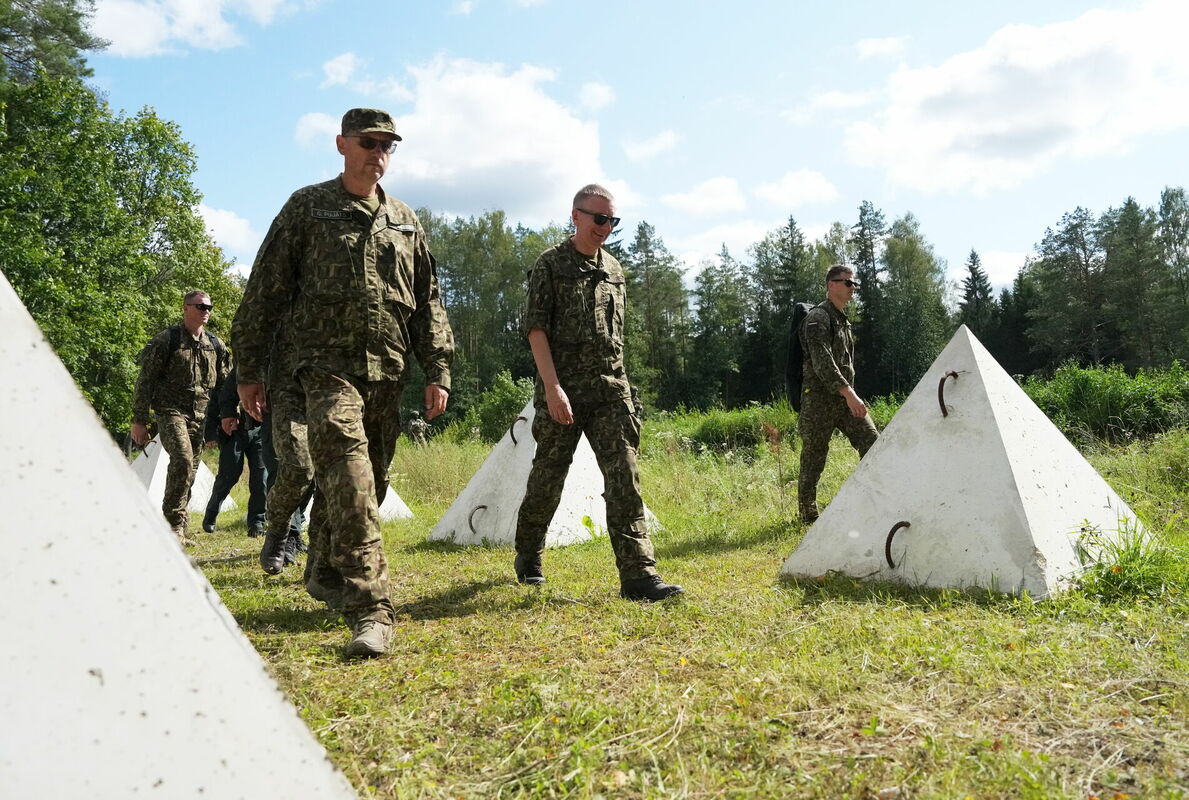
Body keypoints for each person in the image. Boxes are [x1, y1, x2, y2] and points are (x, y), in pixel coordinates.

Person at [232, 108, 454, 659]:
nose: (378, 152)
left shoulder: (404, 220)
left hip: (388, 373)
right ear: (341, 144)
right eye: (368, 141)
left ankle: (324, 571)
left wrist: (438, 369)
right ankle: (371, 608)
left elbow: (428, 300)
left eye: (388, 144)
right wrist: (248, 370)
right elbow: (264, 291)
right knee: (351, 479)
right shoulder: (308, 208)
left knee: (366, 486)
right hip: (323, 370)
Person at [514, 184, 683, 602]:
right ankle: (529, 553)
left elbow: (616, 339)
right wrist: (552, 389)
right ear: (575, 216)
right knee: (548, 478)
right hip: (564, 392)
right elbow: (536, 329)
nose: (605, 228)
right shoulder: (550, 265)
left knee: (624, 475)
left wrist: (628, 394)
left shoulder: (614, 270)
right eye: (598, 218)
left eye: (612, 221)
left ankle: (638, 576)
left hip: (610, 392)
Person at [130, 290, 231, 545]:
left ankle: (179, 526)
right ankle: (172, 526)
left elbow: (225, 384)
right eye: (200, 306)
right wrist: (139, 420)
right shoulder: (168, 340)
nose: (206, 311)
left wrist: (230, 413)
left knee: (192, 468)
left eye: (209, 306)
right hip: (170, 410)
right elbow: (146, 381)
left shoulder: (215, 345)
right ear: (186, 308)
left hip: (201, 414)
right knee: (184, 459)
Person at [797, 265, 880, 522]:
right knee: (814, 454)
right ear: (831, 285)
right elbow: (823, 363)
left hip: (844, 399)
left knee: (873, 442)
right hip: (819, 400)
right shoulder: (818, 318)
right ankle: (807, 513)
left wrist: (849, 395)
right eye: (847, 283)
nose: (852, 288)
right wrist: (849, 394)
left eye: (854, 284)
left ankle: (875, 501)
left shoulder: (842, 320)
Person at [201, 365, 269, 537]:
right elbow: (223, 398)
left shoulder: (275, 365)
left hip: (260, 431)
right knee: (228, 476)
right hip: (235, 433)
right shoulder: (241, 370)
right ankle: (211, 515)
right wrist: (226, 416)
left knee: (261, 480)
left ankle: (257, 524)